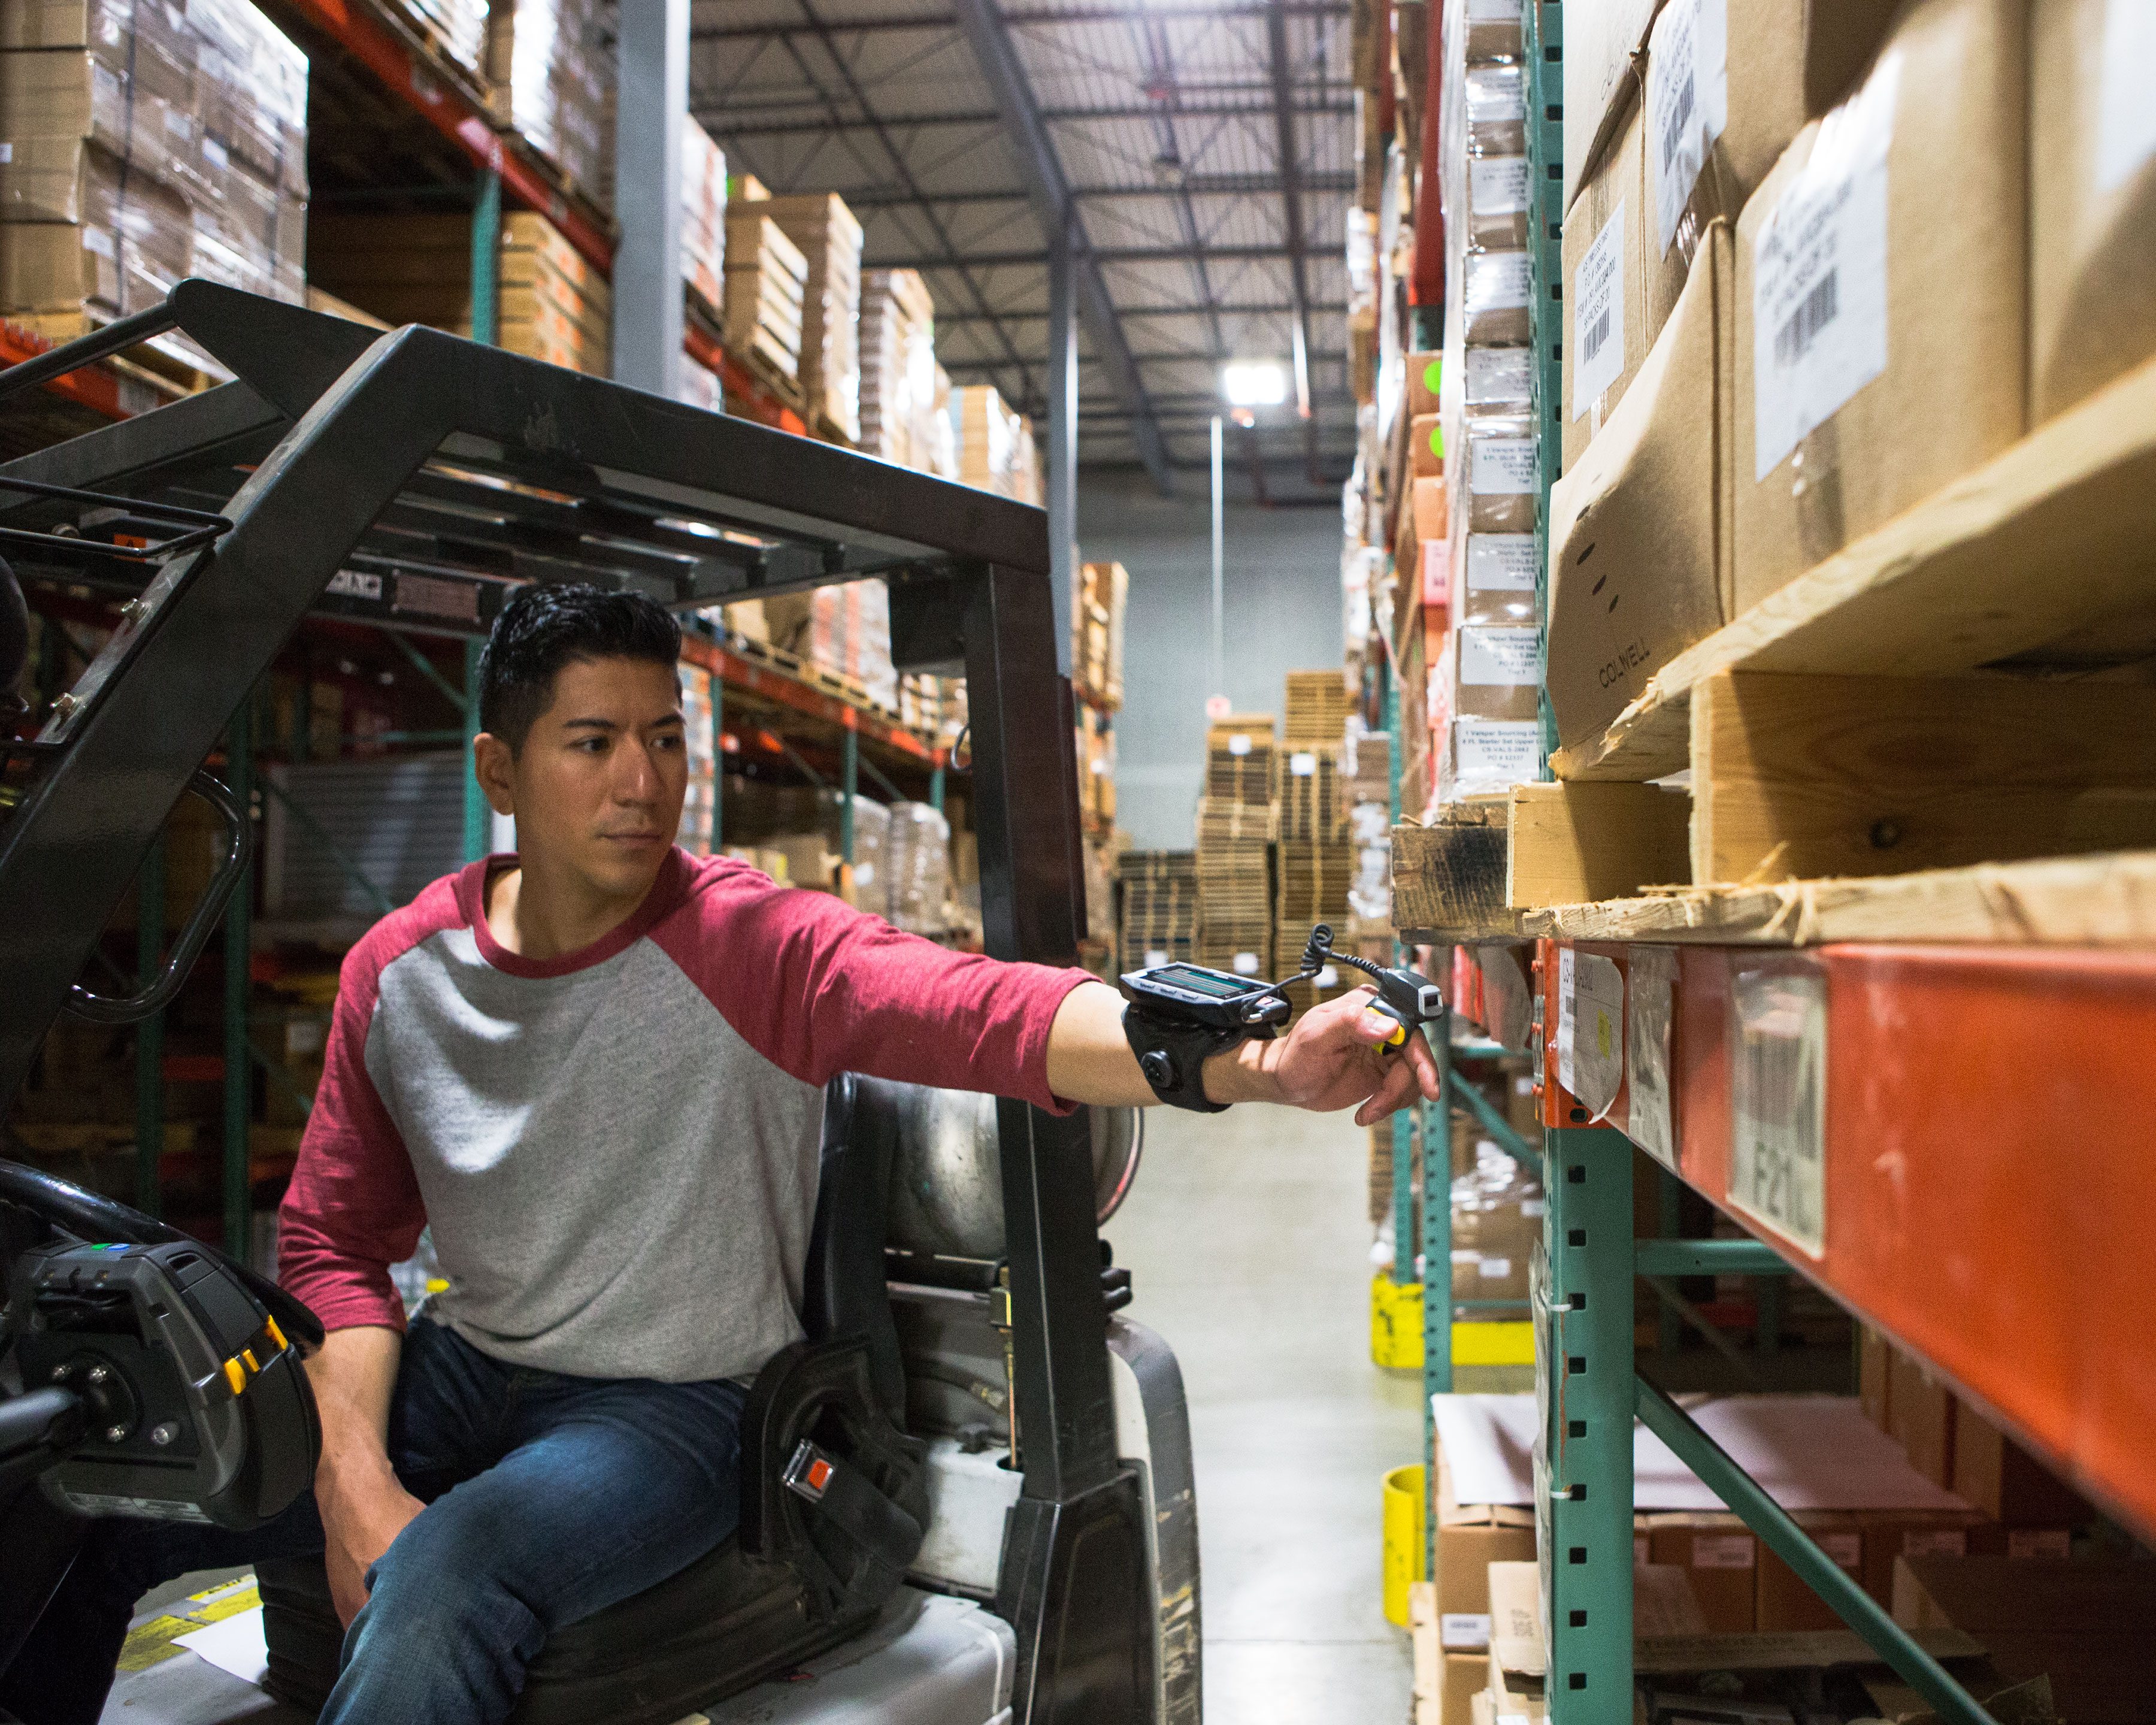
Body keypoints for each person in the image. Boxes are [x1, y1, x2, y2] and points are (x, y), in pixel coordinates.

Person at [2, 585, 1440, 1724]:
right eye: (595, 744)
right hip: (471, 1366)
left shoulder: (746, 940)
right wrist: (352, 1473)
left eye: (666, 739)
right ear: (500, 766)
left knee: (447, 1577)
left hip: (678, 1409)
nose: (647, 782)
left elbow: (976, 1006)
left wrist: (1245, 1058)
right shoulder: (403, 973)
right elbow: (336, 1245)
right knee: (91, 1471)